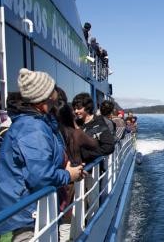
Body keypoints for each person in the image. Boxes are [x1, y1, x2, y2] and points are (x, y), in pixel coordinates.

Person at [0, 69, 85, 241]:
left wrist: (66, 166)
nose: (56, 93)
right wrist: (68, 174)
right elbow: (40, 176)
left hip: (33, 208)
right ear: (44, 97)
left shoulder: (38, 122)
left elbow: (42, 161)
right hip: (28, 212)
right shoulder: (32, 128)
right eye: (53, 89)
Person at [51, 87, 99, 242]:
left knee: (56, 212)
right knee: (68, 212)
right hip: (72, 176)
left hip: (57, 177)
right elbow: (94, 144)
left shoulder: (53, 132)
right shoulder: (75, 133)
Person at [72, 93, 114, 160]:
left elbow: (109, 147)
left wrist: (86, 154)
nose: (76, 111)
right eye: (74, 108)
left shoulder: (99, 124)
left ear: (87, 107)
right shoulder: (76, 123)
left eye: (79, 108)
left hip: (92, 167)